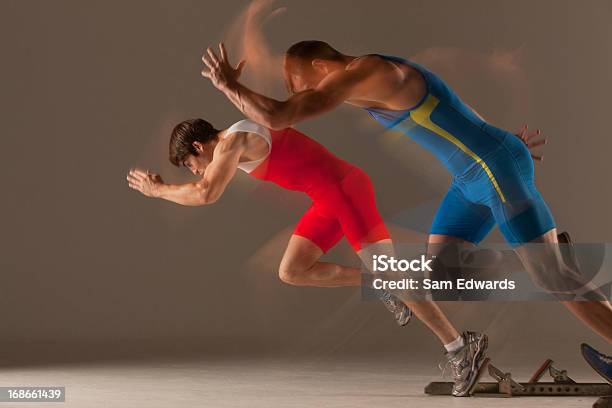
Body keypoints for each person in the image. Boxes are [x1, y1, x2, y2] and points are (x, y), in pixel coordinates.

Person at [200, 40, 612, 342]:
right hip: (473, 176)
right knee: (443, 276)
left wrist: (226, 86)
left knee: (553, 277)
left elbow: (278, 115)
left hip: (490, 167)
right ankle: (546, 256)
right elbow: (453, 108)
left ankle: (552, 266)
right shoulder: (360, 83)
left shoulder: (369, 73)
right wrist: (502, 141)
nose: (295, 91)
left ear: (322, 66)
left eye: (296, 82)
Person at [127, 117, 489, 396]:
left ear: (197, 145)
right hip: (329, 198)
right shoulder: (235, 137)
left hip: (345, 192)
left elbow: (206, 193)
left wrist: (159, 191)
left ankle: (460, 348)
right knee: (293, 269)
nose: (195, 170)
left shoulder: (231, 142)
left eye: (191, 163)